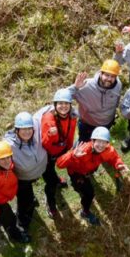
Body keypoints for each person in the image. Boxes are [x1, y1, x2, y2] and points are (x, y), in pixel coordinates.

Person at [0, 111, 47, 241]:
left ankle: (14, 218)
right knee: (9, 219)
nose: (27, 132)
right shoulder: (8, 146)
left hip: (13, 188)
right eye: (23, 129)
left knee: (27, 199)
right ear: (16, 130)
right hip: (1, 200)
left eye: (29, 128)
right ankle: (15, 235)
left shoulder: (9, 168)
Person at [56, 127, 129, 226]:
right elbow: (59, 164)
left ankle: (84, 188)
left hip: (89, 170)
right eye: (98, 141)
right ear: (93, 140)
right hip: (77, 174)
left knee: (88, 183)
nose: (101, 145)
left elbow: (114, 157)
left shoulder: (107, 149)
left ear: (107, 143)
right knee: (89, 193)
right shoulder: (83, 150)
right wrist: (73, 155)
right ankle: (85, 212)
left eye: (104, 142)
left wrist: (119, 164)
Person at [35, 88, 77, 218]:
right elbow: (45, 143)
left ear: (70, 105)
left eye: (66, 104)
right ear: (55, 105)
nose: (63, 107)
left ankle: (57, 180)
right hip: (47, 154)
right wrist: (51, 135)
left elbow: (70, 134)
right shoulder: (48, 119)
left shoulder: (72, 117)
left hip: (62, 149)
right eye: (60, 104)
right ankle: (51, 202)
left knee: (55, 173)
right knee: (50, 182)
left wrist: (69, 149)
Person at [68, 60, 123, 144]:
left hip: (106, 123)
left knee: (100, 145)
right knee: (83, 143)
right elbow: (64, 96)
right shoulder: (86, 86)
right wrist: (75, 87)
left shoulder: (118, 85)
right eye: (107, 75)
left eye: (112, 76)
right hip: (87, 124)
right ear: (101, 73)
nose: (109, 79)